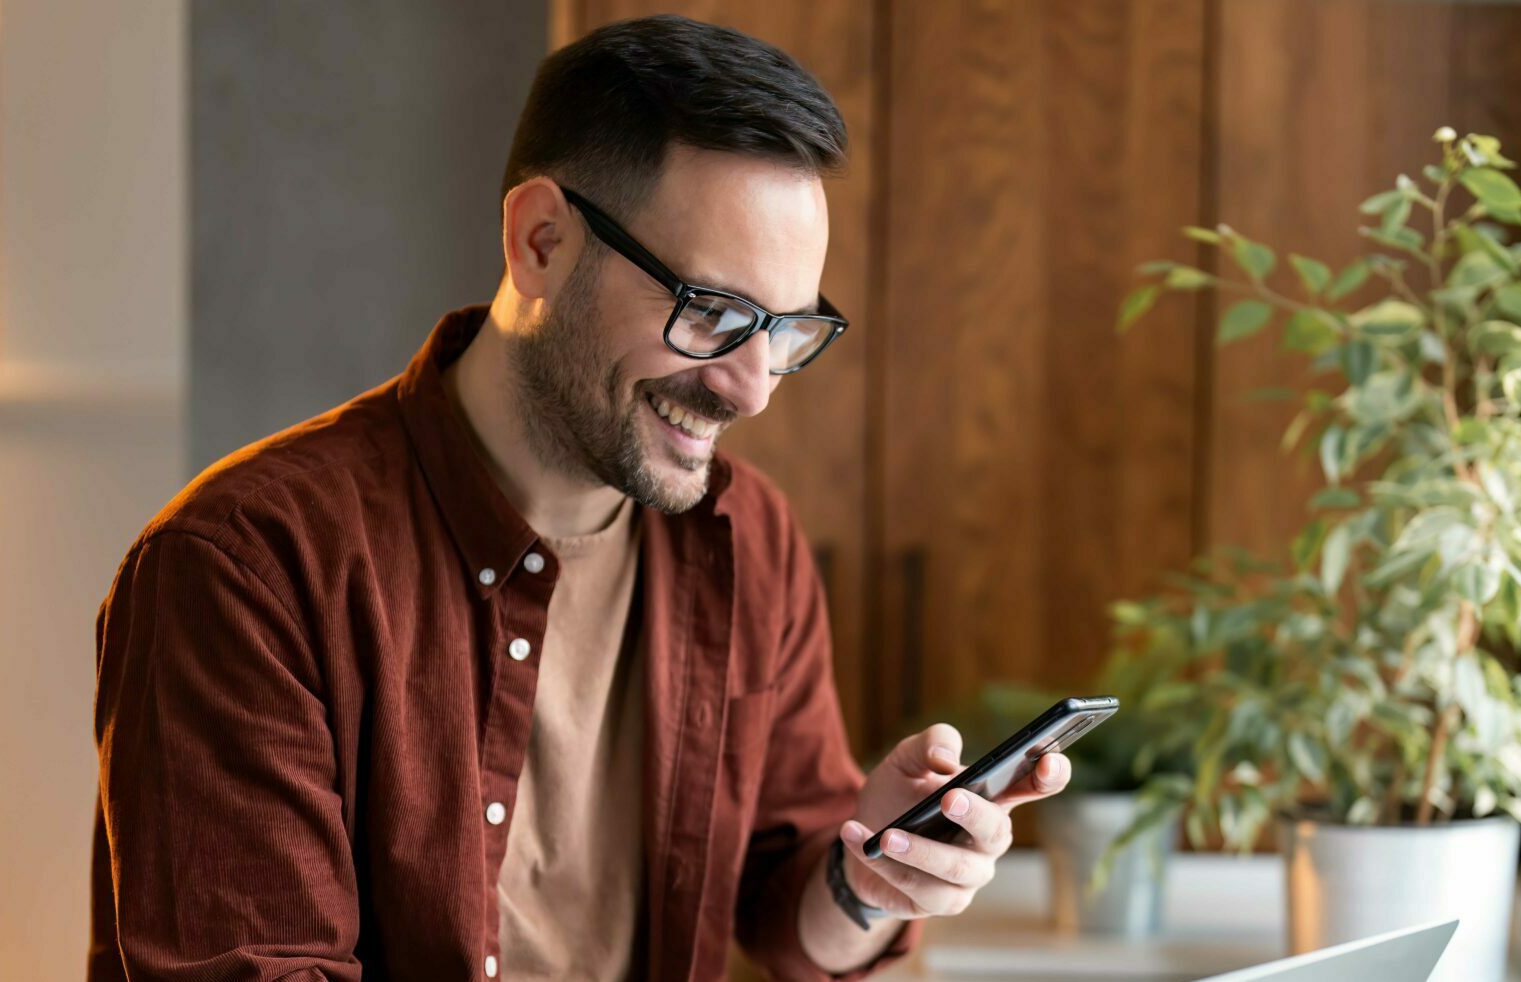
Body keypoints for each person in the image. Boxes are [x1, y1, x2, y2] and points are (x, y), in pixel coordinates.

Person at [89, 15, 1071, 981]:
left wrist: (870, 879)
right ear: (542, 241)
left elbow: (785, 909)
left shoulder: (749, 537)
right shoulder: (246, 568)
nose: (753, 389)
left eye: (784, 331)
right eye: (712, 312)